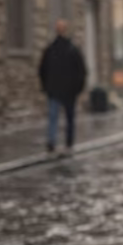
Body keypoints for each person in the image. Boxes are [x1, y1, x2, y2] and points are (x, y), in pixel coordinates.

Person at [38, 19, 87, 154]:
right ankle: (68, 143)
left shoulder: (50, 49)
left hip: (54, 90)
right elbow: (81, 71)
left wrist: (45, 86)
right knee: (69, 118)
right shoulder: (72, 49)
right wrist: (78, 88)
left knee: (53, 117)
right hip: (68, 91)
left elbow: (42, 70)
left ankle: (52, 142)